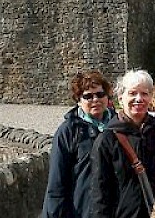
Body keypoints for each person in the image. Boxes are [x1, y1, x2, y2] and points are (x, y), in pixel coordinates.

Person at [91, 69, 155, 218]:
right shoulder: (107, 139)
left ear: (151, 98)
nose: (139, 99)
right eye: (132, 93)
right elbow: (100, 192)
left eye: (144, 94)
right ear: (121, 98)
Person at [42, 71, 115, 218]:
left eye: (100, 94)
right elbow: (57, 183)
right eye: (88, 96)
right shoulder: (68, 131)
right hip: (82, 210)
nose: (95, 99)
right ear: (79, 100)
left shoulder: (119, 125)